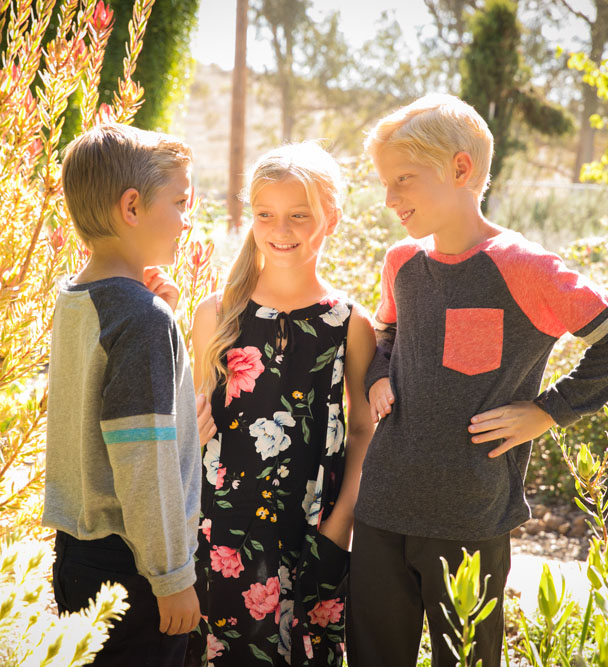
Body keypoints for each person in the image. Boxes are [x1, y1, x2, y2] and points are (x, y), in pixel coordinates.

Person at [346, 94, 608, 667]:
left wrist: (549, 409)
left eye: (404, 180)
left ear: (461, 170)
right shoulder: (401, 263)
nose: (390, 200)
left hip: (470, 512)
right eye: (385, 183)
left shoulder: (525, 266)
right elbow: (385, 334)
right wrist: (379, 376)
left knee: (465, 659)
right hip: (383, 501)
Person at [184, 142, 376, 667]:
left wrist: (342, 523)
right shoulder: (216, 314)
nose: (280, 229)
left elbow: (363, 432)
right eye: (266, 214)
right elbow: (194, 423)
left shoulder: (350, 324)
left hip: (311, 531)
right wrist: (191, 424)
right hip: (218, 530)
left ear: (331, 218)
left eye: (299, 215)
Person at [43, 123, 215, 666]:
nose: (187, 219)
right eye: (180, 202)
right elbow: (143, 461)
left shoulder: (78, 296)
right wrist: (171, 577)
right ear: (133, 207)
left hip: (77, 557)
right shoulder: (140, 317)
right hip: (134, 570)